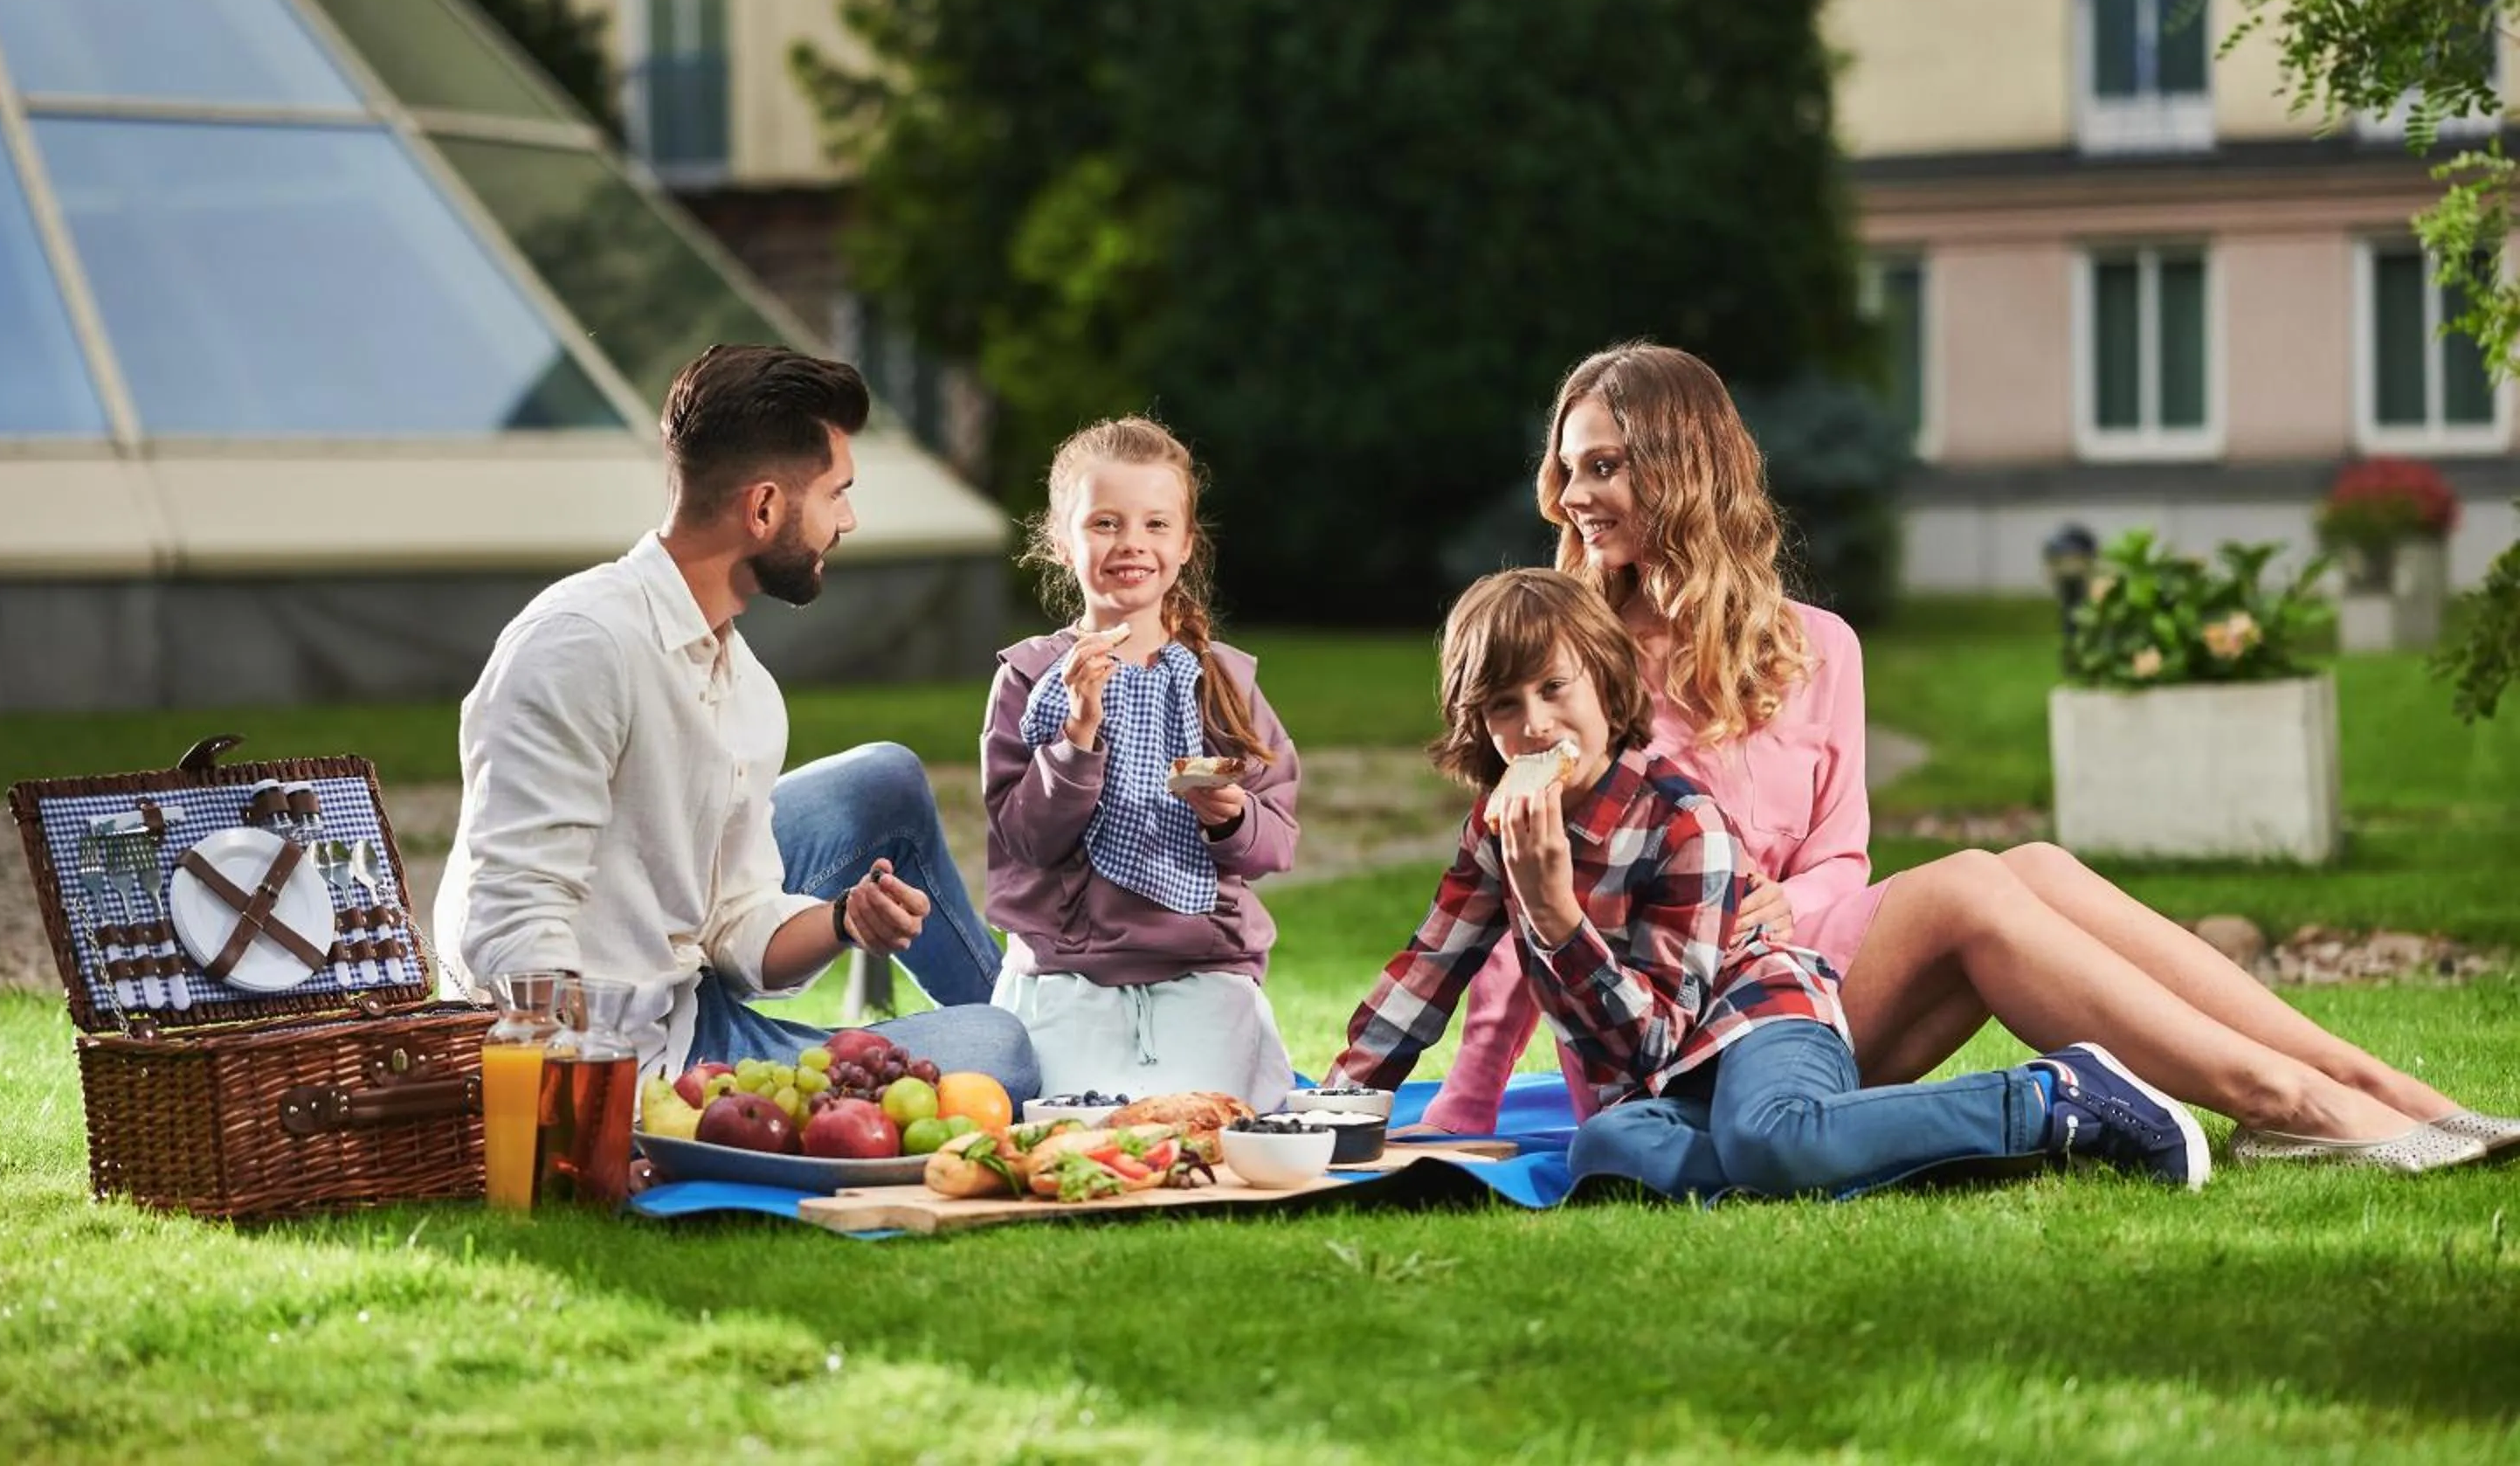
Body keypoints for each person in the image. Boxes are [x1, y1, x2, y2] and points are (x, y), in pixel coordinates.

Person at [1424, 342, 2508, 1175]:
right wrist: (1466, 1109)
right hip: (1678, 1034)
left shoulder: (1817, 648)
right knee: (1972, 889)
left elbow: (1842, 858)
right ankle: (2288, 1104)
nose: (1574, 495)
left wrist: (1795, 906)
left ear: (1684, 468)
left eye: (1605, 465)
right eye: (1569, 468)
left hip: (1801, 988)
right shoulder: (1572, 675)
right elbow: (1520, 897)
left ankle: (2369, 1081)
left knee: (2030, 866)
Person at [1332, 568, 2207, 1198]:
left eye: (1554, 688)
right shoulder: (1500, 830)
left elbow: (1657, 1035)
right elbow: (1428, 968)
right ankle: (1841, 1151)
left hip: (1759, 1020)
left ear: (1603, 680)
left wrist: (1558, 919)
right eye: (1503, 706)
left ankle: (2057, 1096)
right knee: (1603, 1149)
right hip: (1663, 1088)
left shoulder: (1683, 822)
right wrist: (1336, 1105)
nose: (1535, 725)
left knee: (1768, 1134)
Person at [434, 344, 1037, 1100]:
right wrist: (592, 1108)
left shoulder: (743, 682)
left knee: (885, 778)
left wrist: (844, 920)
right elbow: (510, 921)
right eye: (836, 495)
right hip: (630, 1056)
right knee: (1001, 1052)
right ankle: (1032, 1049)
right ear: (764, 509)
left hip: (683, 987)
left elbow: (737, 923)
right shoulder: (580, 647)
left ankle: (1029, 1016)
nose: (848, 520)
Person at [981, 418, 1301, 1109]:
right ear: (1062, 542)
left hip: (1203, 969)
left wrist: (1231, 817)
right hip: (1067, 973)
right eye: (1105, 523)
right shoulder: (1030, 678)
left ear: (1185, 544)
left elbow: (1277, 842)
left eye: (1156, 524)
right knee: (1073, 1131)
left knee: (1207, 1125)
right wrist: (1077, 735)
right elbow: (1028, 841)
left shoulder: (1222, 681)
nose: (1131, 543)